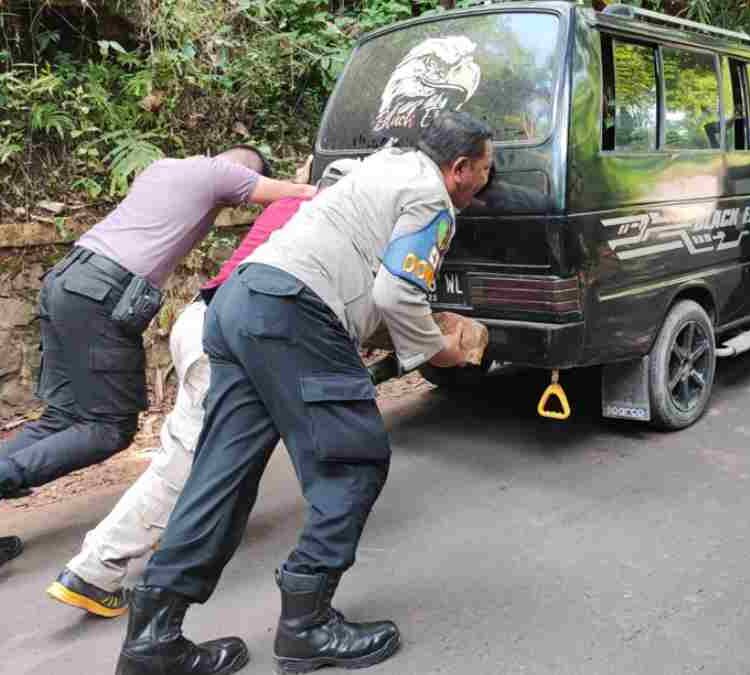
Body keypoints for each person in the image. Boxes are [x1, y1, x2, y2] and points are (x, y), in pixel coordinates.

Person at [116, 112, 494, 675]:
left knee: (222, 471)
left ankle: (152, 637)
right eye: (485, 171)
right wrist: (442, 353)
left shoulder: (380, 166)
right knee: (353, 459)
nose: (487, 182)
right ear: (459, 167)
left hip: (240, 301)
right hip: (291, 310)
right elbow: (396, 295)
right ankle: (306, 627)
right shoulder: (432, 196)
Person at [0, 147, 315, 523]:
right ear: (248, 173)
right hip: (101, 292)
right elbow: (304, 196)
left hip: (66, 279)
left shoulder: (162, 167)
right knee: (108, 429)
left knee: (62, 418)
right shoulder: (220, 173)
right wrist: (304, 176)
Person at [46, 195, 313, 618]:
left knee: (207, 450)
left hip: (203, 318)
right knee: (182, 462)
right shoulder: (342, 216)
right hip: (232, 334)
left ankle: (187, 534)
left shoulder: (291, 203)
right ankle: (95, 569)